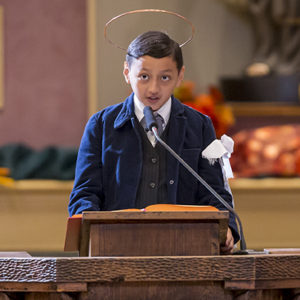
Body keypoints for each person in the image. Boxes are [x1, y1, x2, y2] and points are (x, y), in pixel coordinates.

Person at [68, 31, 239, 254]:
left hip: (185, 251)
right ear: (127, 73)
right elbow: (84, 193)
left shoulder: (200, 125)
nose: (154, 89)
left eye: (165, 77)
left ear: (180, 76)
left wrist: (229, 229)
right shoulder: (101, 125)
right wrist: (91, 228)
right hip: (116, 251)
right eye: (144, 77)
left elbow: (215, 191)